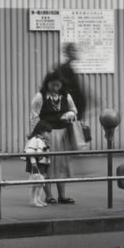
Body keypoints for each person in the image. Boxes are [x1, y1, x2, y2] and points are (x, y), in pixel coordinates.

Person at [30, 70, 79, 204]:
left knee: (61, 166)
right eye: (53, 85)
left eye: (58, 85)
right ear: (47, 84)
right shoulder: (40, 97)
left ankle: (62, 196)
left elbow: (74, 111)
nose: (56, 88)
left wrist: (69, 115)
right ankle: (49, 196)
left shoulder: (66, 96)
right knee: (47, 165)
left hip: (62, 134)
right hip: (46, 135)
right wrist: (37, 136)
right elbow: (34, 117)